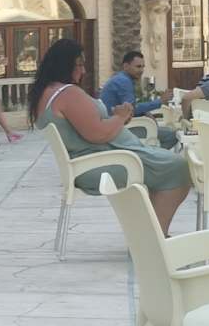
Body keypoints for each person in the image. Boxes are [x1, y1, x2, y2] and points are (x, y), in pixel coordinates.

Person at [30, 38, 191, 235]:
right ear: (64, 65)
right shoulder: (67, 94)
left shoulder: (46, 93)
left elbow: (90, 128)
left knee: (166, 166)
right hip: (101, 164)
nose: (83, 71)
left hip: (95, 160)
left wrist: (116, 119)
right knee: (178, 168)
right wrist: (120, 117)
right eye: (79, 65)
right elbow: (97, 134)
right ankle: (154, 238)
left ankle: (147, 235)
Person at [101, 50, 177, 149]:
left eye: (143, 67)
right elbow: (131, 109)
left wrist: (145, 113)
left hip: (117, 126)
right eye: (138, 67)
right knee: (172, 135)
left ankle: (152, 154)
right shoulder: (123, 81)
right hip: (120, 129)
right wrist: (160, 101)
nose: (141, 70)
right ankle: (149, 155)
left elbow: (131, 106)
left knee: (167, 131)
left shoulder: (122, 79)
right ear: (126, 66)